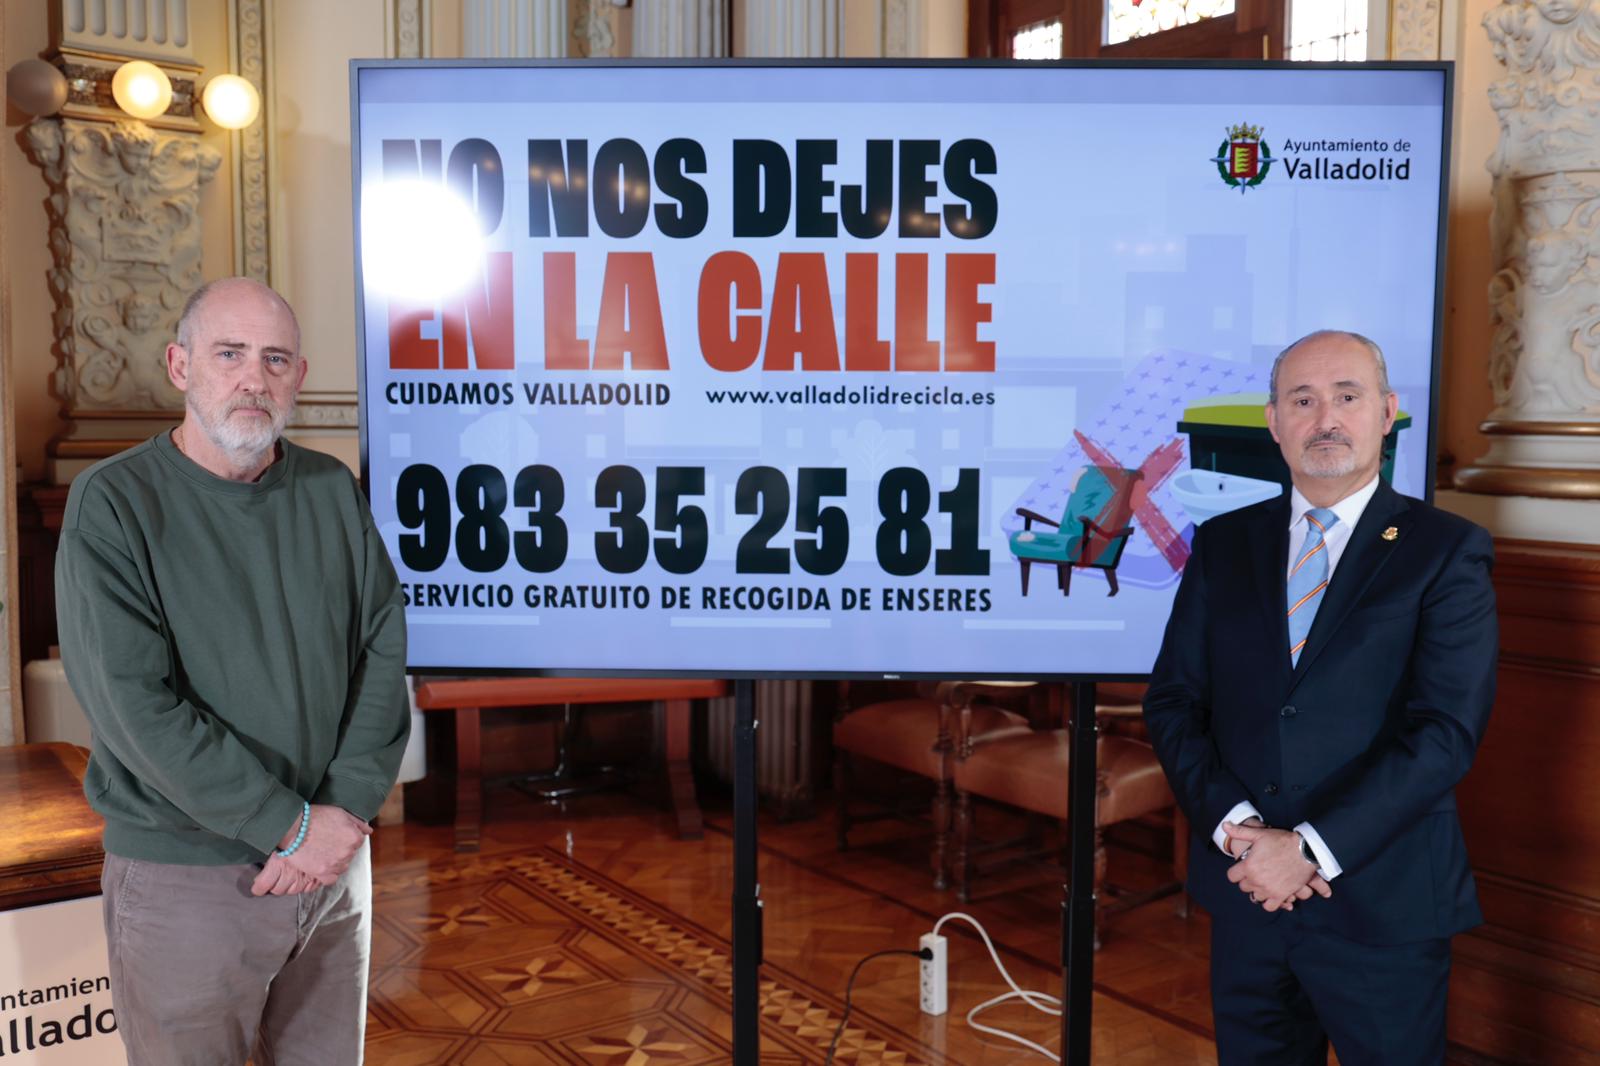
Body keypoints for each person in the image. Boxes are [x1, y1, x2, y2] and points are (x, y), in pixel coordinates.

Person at [55, 277, 410, 1065]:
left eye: (275, 358)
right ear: (180, 366)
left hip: (333, 860)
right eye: (230, 354)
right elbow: (133, 706)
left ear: (299, 375)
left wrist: (340, 814)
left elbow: (382, 646)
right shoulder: (112, 503)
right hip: (188, 876)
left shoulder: (329, 489)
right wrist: (290, 826)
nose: (255, 378)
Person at [1143, 330, 1497, 1065]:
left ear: (1387, 413)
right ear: (1274, 422)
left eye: (1347, 396)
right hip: (1247, 893)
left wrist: (1308, 849)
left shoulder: (1446, 550)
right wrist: (1241, 833)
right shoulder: (1223, 543)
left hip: (1382, 902)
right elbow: (1174, 701)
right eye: (1302, 400)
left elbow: (1444, 733)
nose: (1325, 418)